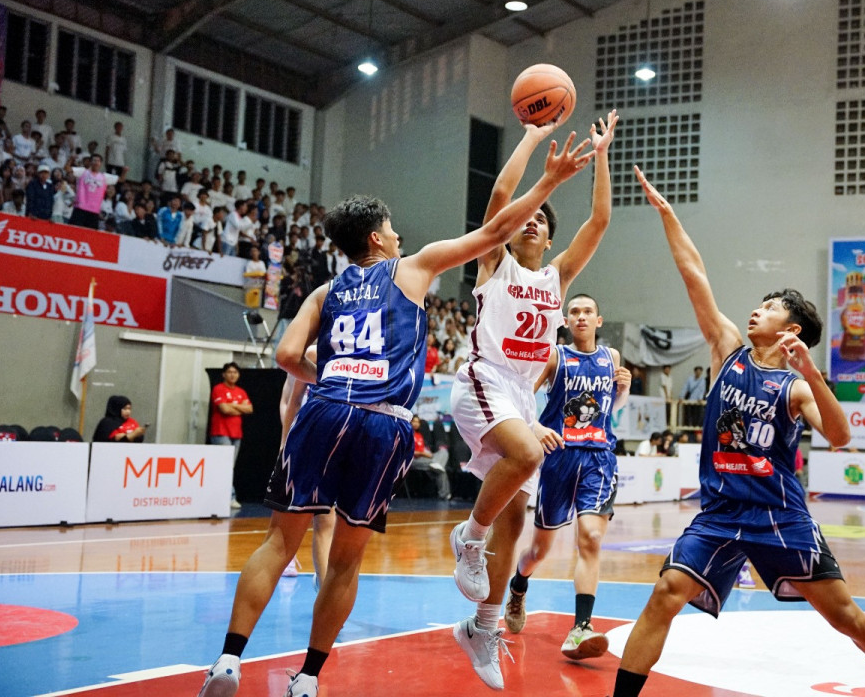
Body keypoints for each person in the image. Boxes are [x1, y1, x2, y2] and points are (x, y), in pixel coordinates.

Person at [194, 127, 590, 697]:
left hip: (325, 409)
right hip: (383, 423)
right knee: (347, 561)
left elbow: (285, 356)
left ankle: (229, 661)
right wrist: (547, 174)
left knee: (278, 544)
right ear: (379, 239)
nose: (400, 236)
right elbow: (497, 227)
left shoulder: (324, 293)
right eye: (394, 229)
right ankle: (307, 677)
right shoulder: (412, 269)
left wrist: (330, 376)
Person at [610, 168, 865, 697]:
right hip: (720, 513)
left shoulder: (796, 387)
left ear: (792, 329)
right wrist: (667, 215)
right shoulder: (727, 351)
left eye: (771, 306)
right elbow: (695, 275)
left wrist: (814, 374)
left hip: (780, 516)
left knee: (843, 616)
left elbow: (841, 437)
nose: (757, 308)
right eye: (760, 303)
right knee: (665, 592)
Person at [448, 113, 614, 692]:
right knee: (529, 455)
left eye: (542, 221)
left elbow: (599, 221)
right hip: (482, 379)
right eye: (526, 218)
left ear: (547, 237)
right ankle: (467, 536)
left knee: (515, 524)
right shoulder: (495, 262)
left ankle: (483, 626)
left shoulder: (557, 281)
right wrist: (534, 137)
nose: (532, 223)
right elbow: (500, 196)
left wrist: (601, 156)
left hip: (518, 393)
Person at [502, 293, 630, 659]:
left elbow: (612, 409)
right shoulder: (555, 356)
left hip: (599, 458)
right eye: (574, 312)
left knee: (590, 537)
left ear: (598, 320)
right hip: (559, 459)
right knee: (539, 551)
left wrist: (624, 388)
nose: (581, 317)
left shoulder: (612, 358)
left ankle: (581, 627)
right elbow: (524, 397)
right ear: (566, 320)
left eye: (588, 311)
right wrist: (536, 426)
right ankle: (519, 584)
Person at [275, 346, 335, 585]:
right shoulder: (311, 353)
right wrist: (285, 443)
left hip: (336, 441)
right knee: (299, 511)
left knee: (327, 518)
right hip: (308, 438)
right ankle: (288, 556)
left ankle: (323, 582)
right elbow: (290, 401)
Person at [209, 362, 252, 510]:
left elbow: (249, 409)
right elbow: (224, 409)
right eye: (229, 372)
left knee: (230, 467)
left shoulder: (241, 391)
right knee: (224, 467)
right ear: (224, 374)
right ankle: (228, 497)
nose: (232, 375)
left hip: (236, 434)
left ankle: (224, 497)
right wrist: (239, 407)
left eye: (235, 372)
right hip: (221, 432)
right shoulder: (218, 389)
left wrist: (232, 405)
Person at [70, 154, 124, 229]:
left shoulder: (104, 177)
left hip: (94, 211)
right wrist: (70, 160)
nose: (96, 162)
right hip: (80, 208)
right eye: (94, 160)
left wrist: (124, 171)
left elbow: (121, 179)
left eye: (98, 161)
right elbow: (67, 169)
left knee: (90, 236)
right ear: (90, 162)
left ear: (100, 164)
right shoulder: (83, 172)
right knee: (74, 231)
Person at [410, 414, 451, 499]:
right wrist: (424, 454)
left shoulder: (419, 435)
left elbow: (423, 450)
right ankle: (444, 494)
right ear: (410, 422)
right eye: (414, 421)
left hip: (424, 458)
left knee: (443, 452)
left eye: (418, 422)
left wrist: (429, 454)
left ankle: (438, 464)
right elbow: (410, 452)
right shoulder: (408, 434)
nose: (416, 423)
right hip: (413, 460)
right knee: (438, 468)